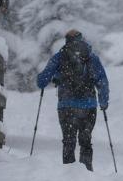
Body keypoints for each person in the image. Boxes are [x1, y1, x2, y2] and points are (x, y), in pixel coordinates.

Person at [36, 30, 109, 171]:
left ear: (66, 40)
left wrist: (53, 77)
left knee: (69, 142)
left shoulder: (59, 57)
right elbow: (102, 81)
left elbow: (41, 81)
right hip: (88, 106)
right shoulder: (91, 57)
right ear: (82, 39)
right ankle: (87, 171)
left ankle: (69, 175)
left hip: (66, 106)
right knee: (85, 141)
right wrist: (104, 102)